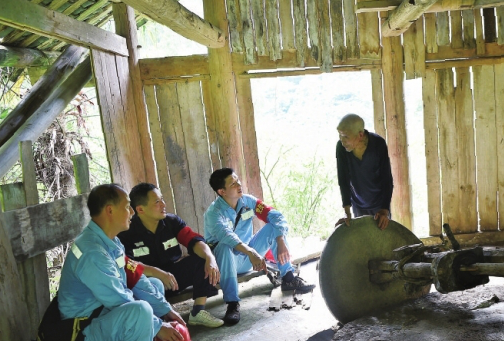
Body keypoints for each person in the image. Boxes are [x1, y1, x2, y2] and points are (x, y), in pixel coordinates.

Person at [57, 184, 187, 341]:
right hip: (84, 336)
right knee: (141, 311)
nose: (132, 212)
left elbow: (134, 276)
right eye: (127, 207)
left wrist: (166, 310)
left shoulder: (109, 240)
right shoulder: (92, 252)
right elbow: (118, 300)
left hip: (102, 318)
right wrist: (158, 326)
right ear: (110, 210)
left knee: (153, 286)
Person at [204, 168, 315, 325]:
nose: (238, 184)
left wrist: (280, 239)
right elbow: (226, 236)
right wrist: (251, 252)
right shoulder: (213, 213)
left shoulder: (247, 202)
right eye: (233, 183)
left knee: (273, 228)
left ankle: (288, 278)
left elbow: (275, 215)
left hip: (248, 257)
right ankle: (232, 304)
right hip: (226, 263)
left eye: (238, 180)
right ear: (221, 191)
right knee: (223, 246)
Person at [118, 183, 224, 329]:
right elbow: (128, 264)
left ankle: (198, 312)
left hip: (173, 278)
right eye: (157, 202)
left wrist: (210, 258)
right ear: (140, 209)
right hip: (149, 284)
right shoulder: (127, 232)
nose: (163, 204)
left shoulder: (171, 222)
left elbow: (193, 240)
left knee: (202, 259)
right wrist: (158, 274)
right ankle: (157, 323)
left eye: (162, 199)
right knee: (151, 282)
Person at [335, 113, 394, 230]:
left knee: (383, 240)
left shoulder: (378, 144)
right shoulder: (341, 148)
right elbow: (343, 180)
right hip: (358, 204)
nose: (342, 141)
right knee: (364, 241)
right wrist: (347, 211)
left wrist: (384, 210)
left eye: (345, 136)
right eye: (340, 136)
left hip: (379, 203)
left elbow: (387, 179)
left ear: (360, 135)